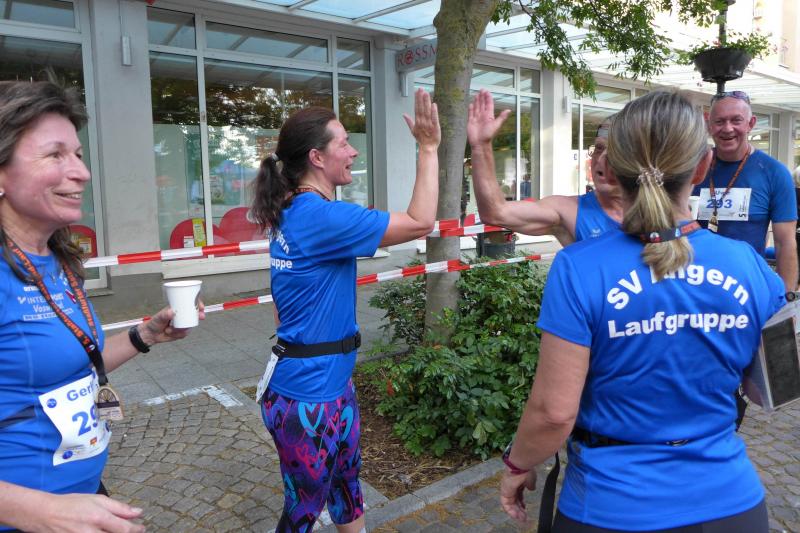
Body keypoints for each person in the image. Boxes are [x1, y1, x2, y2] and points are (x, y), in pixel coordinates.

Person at [482, 90, 785, 532]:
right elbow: (771, 388)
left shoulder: (579, 267)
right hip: (731, 506)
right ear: (702, 166)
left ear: (613, 167)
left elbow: (554, 413)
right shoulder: (750, 265)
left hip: (610, 507)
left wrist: (518, 464)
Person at [0, 80, 203, 532]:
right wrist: (38, 510)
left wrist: (144, 336)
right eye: (55, 155)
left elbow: (74, 364)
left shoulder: (58, 260)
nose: (81, 172)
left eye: (77, 153)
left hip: (81, 498)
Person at [251, 88, 439, 533]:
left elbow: (282, 304)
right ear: (317, 157)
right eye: (345, 143)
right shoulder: (320, 217)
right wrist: (429, 148)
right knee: (303, 511)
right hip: (308, 396)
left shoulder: (292, 210)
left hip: (330, 384)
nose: (353, 152)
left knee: (347, 488)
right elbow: (420, 221)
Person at [469, 92, 621, 246]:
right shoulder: (570, 211)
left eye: (615, 151)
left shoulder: (638, 213)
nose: (601, 159)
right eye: (599, 148)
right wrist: (481, 147)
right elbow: (496, 212)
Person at [693, 90, 797, 291]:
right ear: (709, 124)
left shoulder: (774, 173)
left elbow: (785, 243)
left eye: (736, 120)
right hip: (696, 286)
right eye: (719, 121)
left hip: (747, 287)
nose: (727, 128)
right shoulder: (692, 167)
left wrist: (787, 297)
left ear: (751, 123)